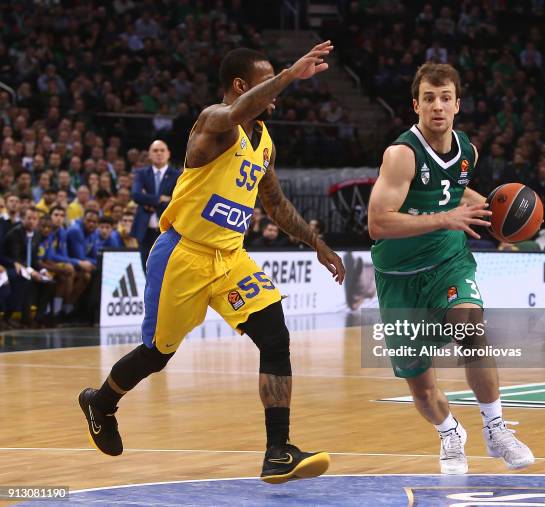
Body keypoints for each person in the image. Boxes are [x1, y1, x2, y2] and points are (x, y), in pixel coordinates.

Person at [79, 42, 345, 484]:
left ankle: (277, 452)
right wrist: (290, 73)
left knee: (276, 338)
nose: (275, 95)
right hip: (183, 254)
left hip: (230, 258)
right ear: (241, 86)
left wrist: (316, 242)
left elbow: (274, 203)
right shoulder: (214, 123)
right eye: (267, 84)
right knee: (157, 354)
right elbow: (237, 112)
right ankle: (101, 402)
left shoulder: (264, 143)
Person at [368, 63, 534, 475]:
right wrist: (445, 217)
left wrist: (495, 215)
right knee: (422, 389)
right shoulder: (401, 155)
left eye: (445, 98)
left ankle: (495, 429)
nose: (437, 106)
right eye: (429, 98)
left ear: (457, 105)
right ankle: (449, 432)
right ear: (416, 106)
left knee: (471, 328)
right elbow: (378, 222)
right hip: (399, 279)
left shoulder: (467, 151)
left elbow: (455, 191)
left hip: (448, 263)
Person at [131, 140, 181, 270]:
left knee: (165, 270)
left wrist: (147, 199)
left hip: (167, 230)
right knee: (146, 269)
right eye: (155, 150)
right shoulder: (141, 173)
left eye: (162, 150)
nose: (159, 153)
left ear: (168, 153)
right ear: (149, 154)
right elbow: (136, 195)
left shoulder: (178, 176)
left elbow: (178, 200)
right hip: (145, 230)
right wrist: (160, 199)